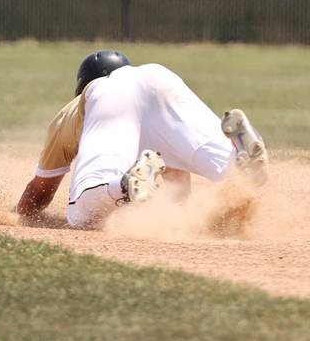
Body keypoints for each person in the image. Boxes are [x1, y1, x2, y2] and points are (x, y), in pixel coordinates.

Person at [16, 50, 268, 229]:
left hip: (108, 100)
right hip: (161, 78)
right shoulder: (142, 82)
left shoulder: (77, 107)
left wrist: (21, 213)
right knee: (234, 174)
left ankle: (123, 186)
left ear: (82, 87)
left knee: (81, 215)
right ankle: (237, 158)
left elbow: (40, 192)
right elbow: (178, 192)